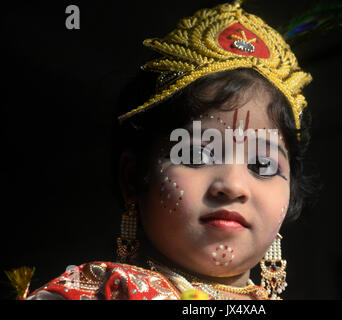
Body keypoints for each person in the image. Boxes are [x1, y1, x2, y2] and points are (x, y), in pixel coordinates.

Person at [27, 0, 319, 300]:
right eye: (195, 155)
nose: (232, 186)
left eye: (262, 166)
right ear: (133, 179)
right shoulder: (103, 292)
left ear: (291, 193)